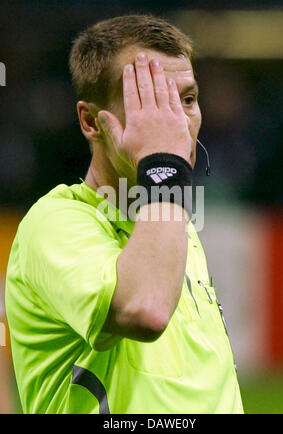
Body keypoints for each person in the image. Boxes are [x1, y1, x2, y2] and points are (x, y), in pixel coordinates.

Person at [5, 14, 244, 414]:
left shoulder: (173, 223)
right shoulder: (53, 224)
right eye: (150, 103)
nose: (176, 123)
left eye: (186, 99)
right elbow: (144, 309)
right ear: (90, 121)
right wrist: (163, 165)